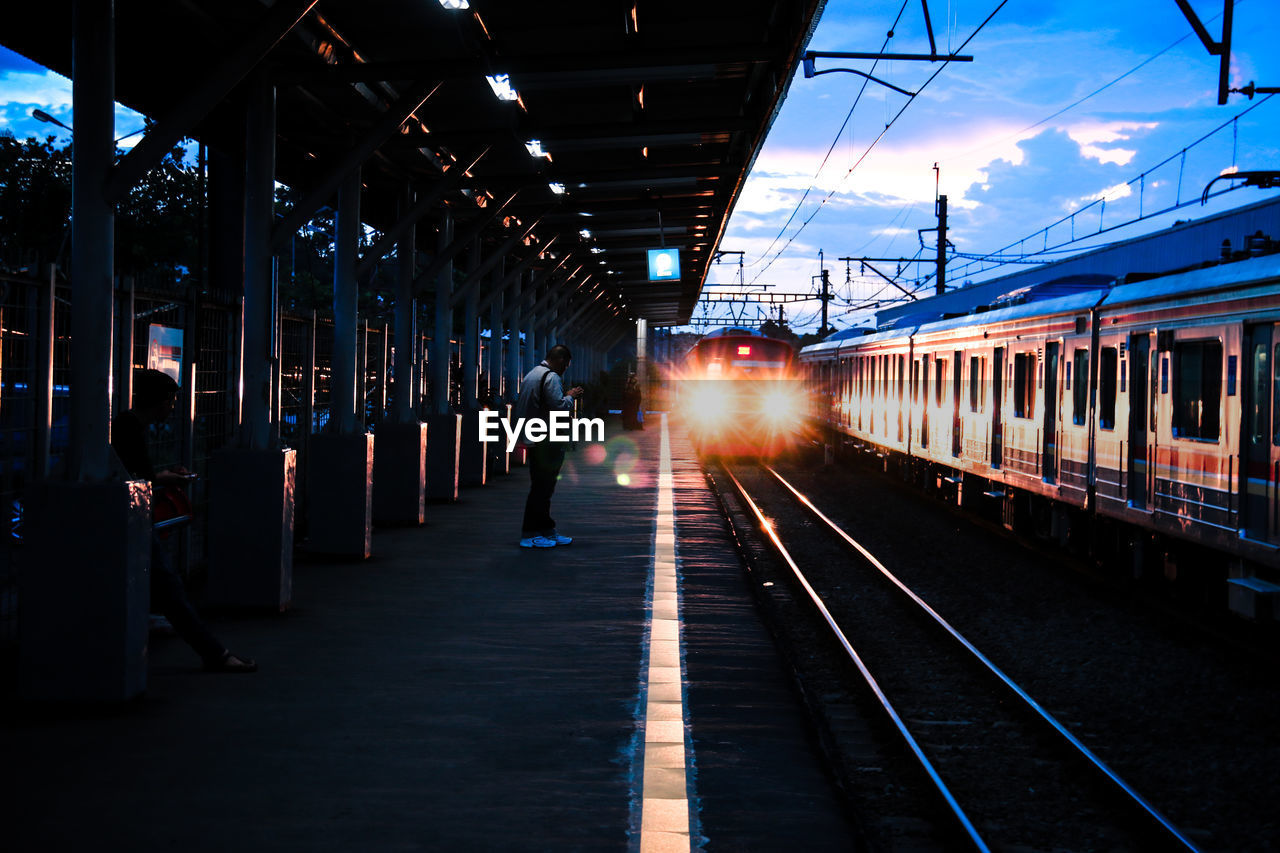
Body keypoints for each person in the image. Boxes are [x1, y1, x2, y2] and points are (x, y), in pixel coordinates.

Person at [112, 369, 257, 673]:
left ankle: (215, 652)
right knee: (170, 589)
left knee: (166, 588)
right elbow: (144, 479)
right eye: (171, 400)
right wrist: (171, 478)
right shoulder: (131, 428)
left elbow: (136, 474)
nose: (173, 406)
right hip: (131, 520)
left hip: (121, 519)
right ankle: (215, 653)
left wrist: (164, 476)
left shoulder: (127, 425)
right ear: (161, 400)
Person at [515, 344, 583, 548]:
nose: (565, 370)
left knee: (542, 486)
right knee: (542, 488)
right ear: (561, 361)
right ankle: (530, 533)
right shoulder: (551, 377)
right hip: (546, 439)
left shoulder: (532, 374)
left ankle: (546, 529)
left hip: (534, 436)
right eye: (566, 366)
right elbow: (559, 406)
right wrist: (570, 396)